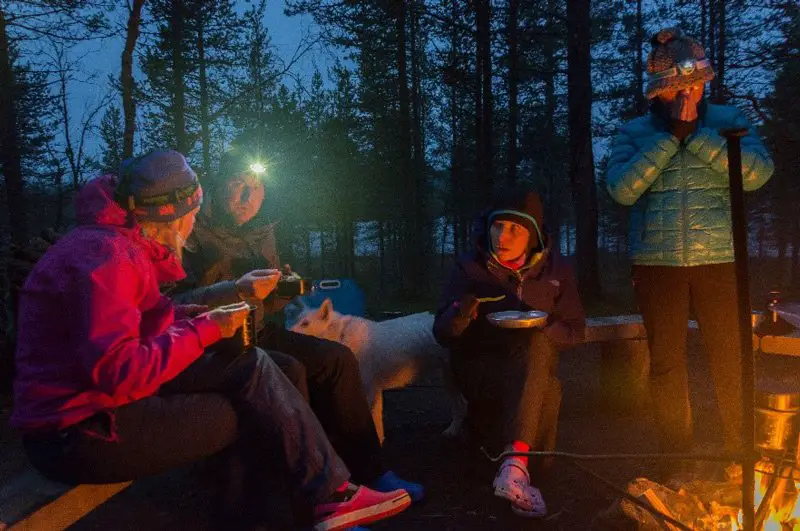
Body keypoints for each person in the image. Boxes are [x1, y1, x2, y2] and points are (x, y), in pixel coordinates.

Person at [11, 150, 411, 531]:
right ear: (172, 216)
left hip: (101, 409)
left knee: (257, 368)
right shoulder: (108, 257)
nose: (193, 224)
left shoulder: (116, 246)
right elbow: (119, 371)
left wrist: (199, 315)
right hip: (78, 430)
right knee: (259, 409)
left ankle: (328, 495)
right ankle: (298, 508)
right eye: (192, 214)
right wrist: (206, 328)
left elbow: (153, 316)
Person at [168, 147, 424, 502]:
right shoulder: (188, 232)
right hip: (210, 342)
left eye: (256, 188)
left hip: (255, 330)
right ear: (217, 184)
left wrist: (285, 289)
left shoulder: (262, 233)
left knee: (337, 359)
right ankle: (307, 491)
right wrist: (230, 287)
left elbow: (266, 301)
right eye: (238, 184)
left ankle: (371, 472)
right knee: (291, 370)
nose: (248, 196)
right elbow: (171, 305)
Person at [606, 28, 774, 473]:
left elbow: (756, 174)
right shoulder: (634, 132)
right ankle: (676, 455)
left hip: (720, 259)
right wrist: (670, 138)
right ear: (661, 91)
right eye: (680, 87)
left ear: (706, 82)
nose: (689, 93)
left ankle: (740, 449)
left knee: (730, 356)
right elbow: (622, 191)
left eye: (696, 83)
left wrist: (696, 137)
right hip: (658, 264)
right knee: (666, 363)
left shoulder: (729, 121)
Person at [432, 188, 585, 518]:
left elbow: (575, 330)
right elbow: (442, 334)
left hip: (531, 366)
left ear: (532, 234)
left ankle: (513, 468)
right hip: (479, 368)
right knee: (545, 388)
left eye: (515, 228)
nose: (503, 235)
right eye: (498, 226)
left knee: (539, 357)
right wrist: (459, 311)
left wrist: (544, 326)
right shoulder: (469, 268)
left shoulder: (555, 269)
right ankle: (518, 467)